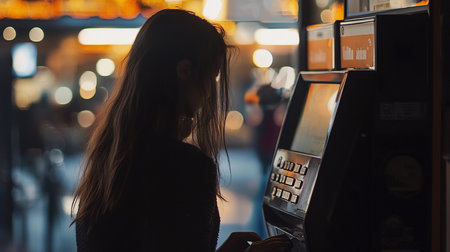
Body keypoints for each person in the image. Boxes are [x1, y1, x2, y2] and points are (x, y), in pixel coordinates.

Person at [73, 9, 292, 252]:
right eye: (212, 77)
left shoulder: (111, 151)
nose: (210, 91)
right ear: (185, 71)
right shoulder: (185, 167)